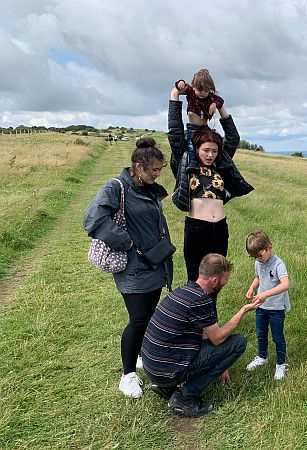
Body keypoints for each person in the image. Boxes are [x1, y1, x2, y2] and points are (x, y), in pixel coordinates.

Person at [83, 137, 173, 399]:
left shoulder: (148, 188)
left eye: (160, 170)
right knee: (138, 320)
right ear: (138, 166)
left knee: (148, 316)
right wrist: (127, 242)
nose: (158, 174)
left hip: (154, 265)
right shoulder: (117, 187)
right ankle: (127, 375)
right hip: (134, 270)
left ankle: (142, 356)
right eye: (153, 170)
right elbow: (92, 218)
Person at [141, 253, 260, 417]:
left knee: (219, 345)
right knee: (238, 342)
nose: (226, 282)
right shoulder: (201, 300)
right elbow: (217, 338)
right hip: (165, 372)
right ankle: (184, 397)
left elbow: (206, 335)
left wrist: (220, 362)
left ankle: (166, 387)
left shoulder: (184, 290)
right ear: (214, 281)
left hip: (153, 369)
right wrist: (243, 310)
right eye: (226, 279)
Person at [168, 85, 253, 289]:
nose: (210, 155)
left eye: (214, 151)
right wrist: (174, 96)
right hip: (197, 229)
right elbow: (175, 132)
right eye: (205, 150)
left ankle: (210, 320)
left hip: (219, 229)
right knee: (195, 282)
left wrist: (221, 105)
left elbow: (233, 138)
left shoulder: (221, 162)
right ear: (197, 149)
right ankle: (194, 320)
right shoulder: (187, 159)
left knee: (216, 281)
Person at [244, 230, 291, 380]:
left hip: (276, 308)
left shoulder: (278, 264)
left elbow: (285, 285)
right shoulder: (258, 262)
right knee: (261, 333)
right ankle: (262, 357)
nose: (257, 259)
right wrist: (252, 287)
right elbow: (258, 277)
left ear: (269, 247)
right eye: (253, 257)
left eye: (259, 255)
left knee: (277, 337)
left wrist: (265, 294)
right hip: (261, 306)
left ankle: (281, 364)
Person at [175, 69, 224, 167]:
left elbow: (220, 100)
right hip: (193, 127)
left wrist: (214, 104)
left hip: (205, 128)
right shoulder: (190, 91)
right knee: (191, 145)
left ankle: (212, 163)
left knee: (210, 144)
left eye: (206, 91)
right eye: (200, 90)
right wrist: (181, 82)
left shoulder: (210, 97)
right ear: (193, 87)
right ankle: (192, 164)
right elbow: (180, 85)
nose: (202, 93)